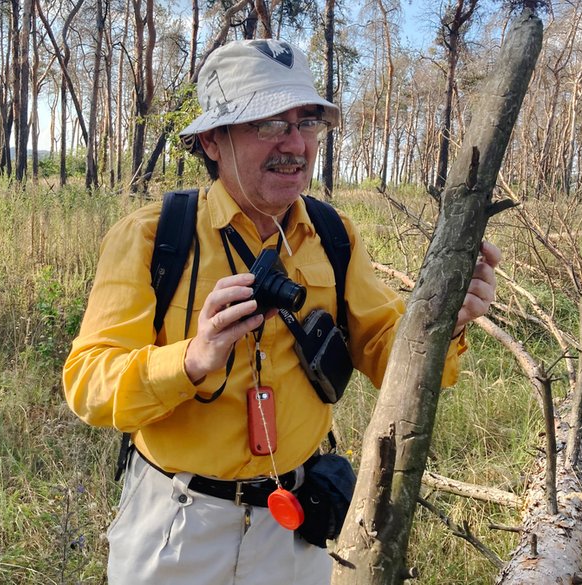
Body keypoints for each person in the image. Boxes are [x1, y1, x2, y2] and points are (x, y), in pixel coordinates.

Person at [62, 39, 501, 585]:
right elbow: (87, 383)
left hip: (294, 525)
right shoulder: (154, 238)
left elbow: (388, 357)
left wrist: (446, 324)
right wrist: (192, 360)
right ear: (211, 141)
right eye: (268, 123)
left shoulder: (334, 236)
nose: (295, 144)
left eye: (307, 121)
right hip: (175, 524)